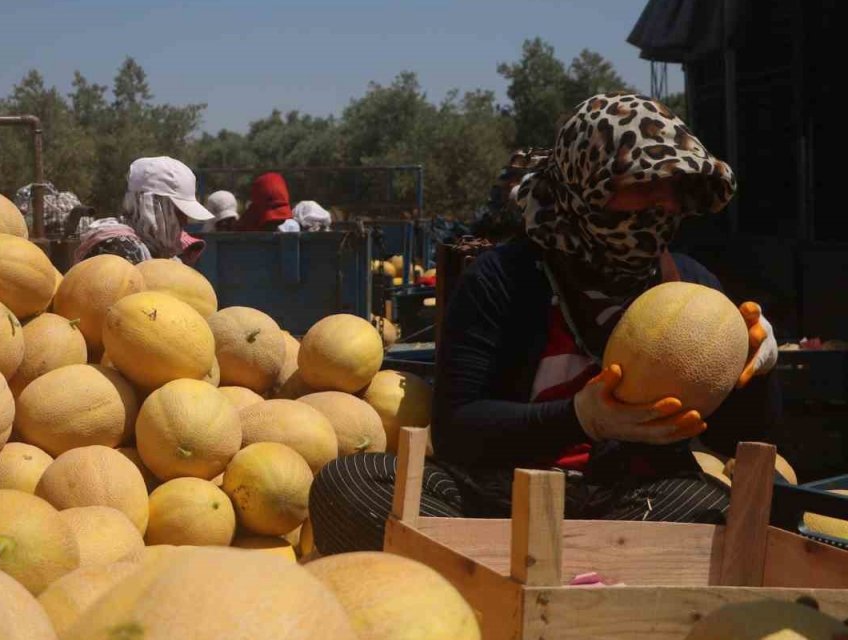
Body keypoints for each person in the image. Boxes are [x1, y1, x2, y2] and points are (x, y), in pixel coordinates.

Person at [308, 93, 782, 555]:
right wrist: (579, 417)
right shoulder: (502, 278)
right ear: (584, 185)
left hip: (634, 503)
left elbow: (735, 440)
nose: (663, 206)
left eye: (673, 188)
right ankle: (562, 579)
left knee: (738, 510)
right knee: (351, 483)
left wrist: (756, 372)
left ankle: (511, 577)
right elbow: (457, 430)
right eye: (642, 185)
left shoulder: (692, 287)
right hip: (499, 500)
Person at [74, 156, 214, 265]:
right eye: (178, 212)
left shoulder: (159, 249)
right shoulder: (118, 247)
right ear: (152, 208)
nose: (185, 221)